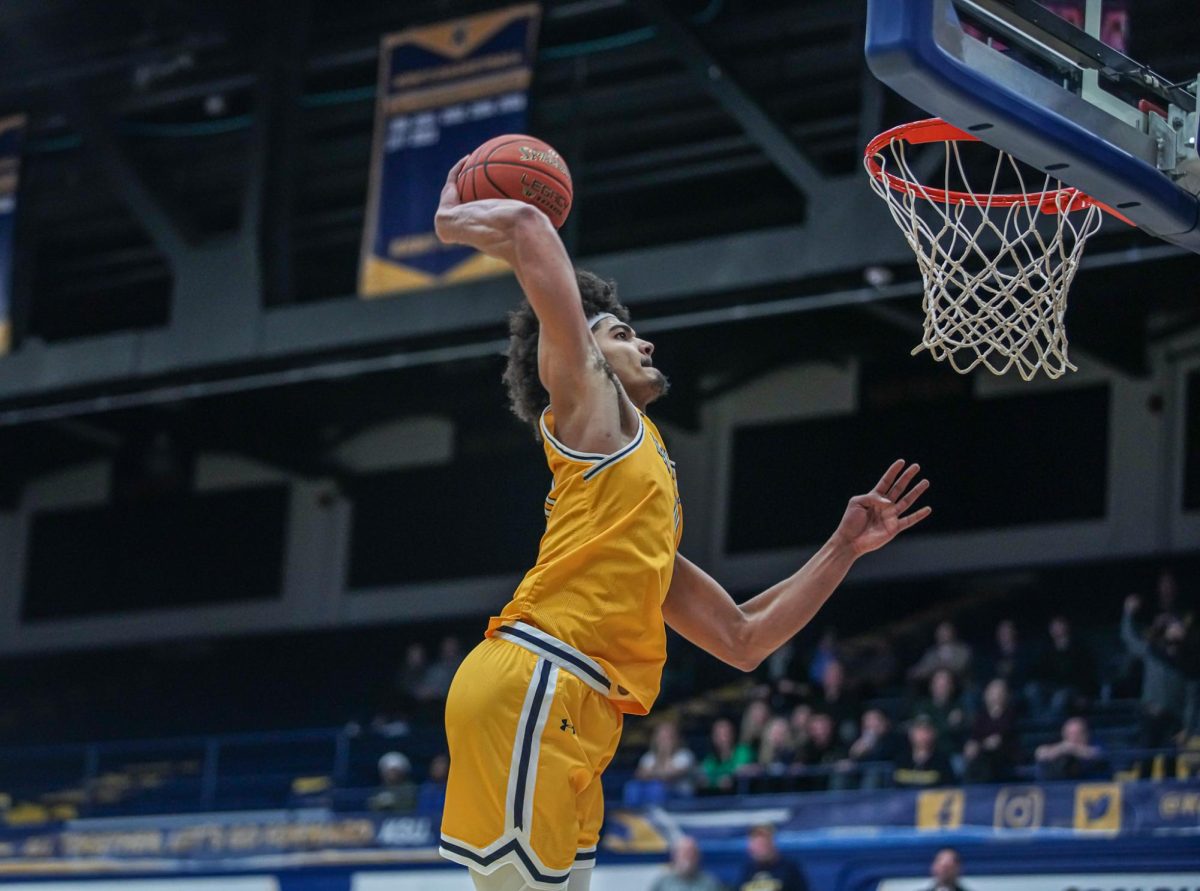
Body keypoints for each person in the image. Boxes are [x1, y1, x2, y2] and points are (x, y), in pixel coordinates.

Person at [433, 157, 932, 891]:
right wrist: (450, 219)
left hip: (584, 707)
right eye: (622, 332)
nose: (647, 342)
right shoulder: (589, 413)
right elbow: (531, 225)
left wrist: (844, 547)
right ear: (579, 353)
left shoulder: (640, 498)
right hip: (539, 676)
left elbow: (742, 639)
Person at [1121, 595, 1192, 748]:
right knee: (1146, 759)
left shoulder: (1188, 661)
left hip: (1175, 720)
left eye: (1179, 626)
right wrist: (1128, 613)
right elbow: (1129, 638)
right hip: (1151, 715)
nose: (1177, 630)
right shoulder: (1152, 652)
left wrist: (1187, 727)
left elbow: (1190, 698)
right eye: (1173, 626)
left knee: (1171, 763)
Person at [1028, 616, 1096, 717]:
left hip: (1073, 688)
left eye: (1059, 626)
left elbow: (1087, 673)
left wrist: (1084, 695)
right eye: (1053, 627)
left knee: (1060, 697)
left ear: (1066, 627)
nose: (1056, 629)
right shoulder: (1046, 649)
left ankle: (1050, 726)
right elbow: (1038, 673)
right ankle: (1039, 722)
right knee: (1032, 689)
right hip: (1053, 686)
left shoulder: (1079, 648)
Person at [963, 679, 1019, 783]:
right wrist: (972, 746)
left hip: (1004, 757)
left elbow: (999, 739)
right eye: (992, 692)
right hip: (981, 757)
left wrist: (981, 746)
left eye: (999, 693)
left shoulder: (1011, 715)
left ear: (1005, 695)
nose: (995, 696)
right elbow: (975, 737)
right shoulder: (981, 717)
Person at [736, 825, 809, 891]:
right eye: (757, 845)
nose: (760, 848)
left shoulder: (789, 868)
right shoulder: (747, 870)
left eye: (763, 844)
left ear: (772, 844)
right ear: (750, 848)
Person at [635, 720, 697, 798]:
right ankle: (632, 810)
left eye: (668, 738)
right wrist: (660, 757)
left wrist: (666, 755)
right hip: (654, 790)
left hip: (680, 794)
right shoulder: (649, 756)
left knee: (657, 787)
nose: (664, 742)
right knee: (633, 788)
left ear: (676, 739)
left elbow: (670, 776)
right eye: (662, 738)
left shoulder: (684, 755)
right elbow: (640, 775)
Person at [1034, 716, 1107, 781]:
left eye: (1078, 734)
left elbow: (1097, 753)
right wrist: (1062, 749)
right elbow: (1040, 752)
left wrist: (1072, 748)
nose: (1074, 738)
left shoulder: (1095, 745)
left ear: (1086, 735)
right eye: (1070, 734)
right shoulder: (1060, 745)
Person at [893, 717, 955, 788]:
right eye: (919, 731)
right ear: (911, 734)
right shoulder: (901, 760)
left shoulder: (942, 762)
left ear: (933, 734)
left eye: (926, 731)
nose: (923, 736)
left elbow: (949, 789)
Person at [699, 717, 754, 794]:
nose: (724, 737)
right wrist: (717, 781)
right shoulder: (710, 759)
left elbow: (743, 770)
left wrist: (731, 777)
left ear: (733, 733)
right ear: (714, 737)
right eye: (720, 734)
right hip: (717, 798)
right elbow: (705, 778)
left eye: (727, 732)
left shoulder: (743, 751)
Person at [649, 836, 725, 891]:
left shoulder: (710, 883)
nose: (688, 858)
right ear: (675, 856)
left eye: (691, 854)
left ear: (697, 857)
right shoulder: (662, 882)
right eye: (684, 853)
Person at [417, 753, 450, 818]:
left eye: (441, 764)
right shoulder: (425, 787)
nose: (438, 767)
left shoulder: (452, 787)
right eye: (436, 764)